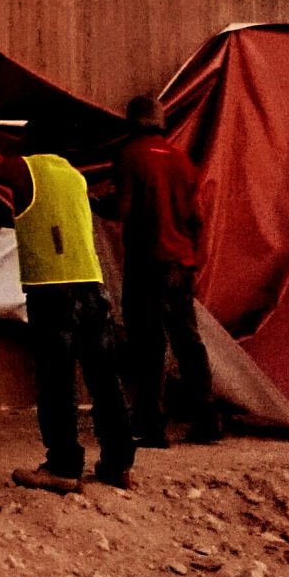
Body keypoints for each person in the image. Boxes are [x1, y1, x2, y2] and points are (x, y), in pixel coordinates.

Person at [0, 126, 137, 493]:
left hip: (52, 294)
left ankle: (63, 466)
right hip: (92, 289)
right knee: (105, 383)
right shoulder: (74, 178)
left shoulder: (26, 167)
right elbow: (38, 218)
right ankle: (118, 465)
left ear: (30, 144)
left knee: (57, 384)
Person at [110, 95, 220, 445]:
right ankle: (207, 420)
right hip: (181, 264)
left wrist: (98, 204)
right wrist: (192, 259)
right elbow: (197, 218)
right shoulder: (180, 159)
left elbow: (123, 209)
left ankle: (151, 425)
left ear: (132, 121)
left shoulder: (131, 156)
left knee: (148, 343)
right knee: (188, 341)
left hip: (147, 261)